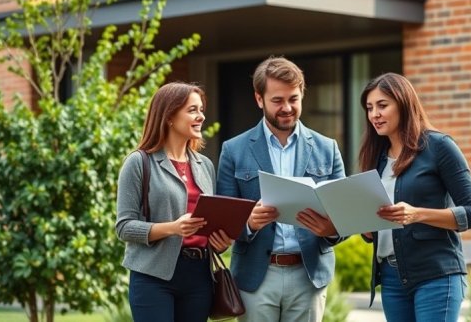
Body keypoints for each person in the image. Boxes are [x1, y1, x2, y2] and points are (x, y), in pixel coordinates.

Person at [217, 57, 345, 322]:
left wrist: (331, 230)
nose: (287, 107)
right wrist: (249, 223)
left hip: (308, 275)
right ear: (259, 99)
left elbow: (346, 215)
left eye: (293, 99)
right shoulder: (233, 150)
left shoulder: (327, 148)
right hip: (255, 277)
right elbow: (224, 219)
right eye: (277, 100)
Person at [359, 73, 471, 322]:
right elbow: (378, 221)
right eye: (370, 108)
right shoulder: (377, 157)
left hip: (436, 275)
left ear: (404, 103)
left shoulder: (439, 146)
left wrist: (417, 214)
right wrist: (367, 227)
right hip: (392, 279)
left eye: (383, 105)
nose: (375, 114)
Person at [115, 82, 233, 322]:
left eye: (201, 109)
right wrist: (173, 228)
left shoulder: (205, 165)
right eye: (192, 110)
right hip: (153, 277)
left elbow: (208, 224)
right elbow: (124, 227)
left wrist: (221, 241)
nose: (201, 116)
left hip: (199, 276)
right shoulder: (139, 163)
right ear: (169, 116)